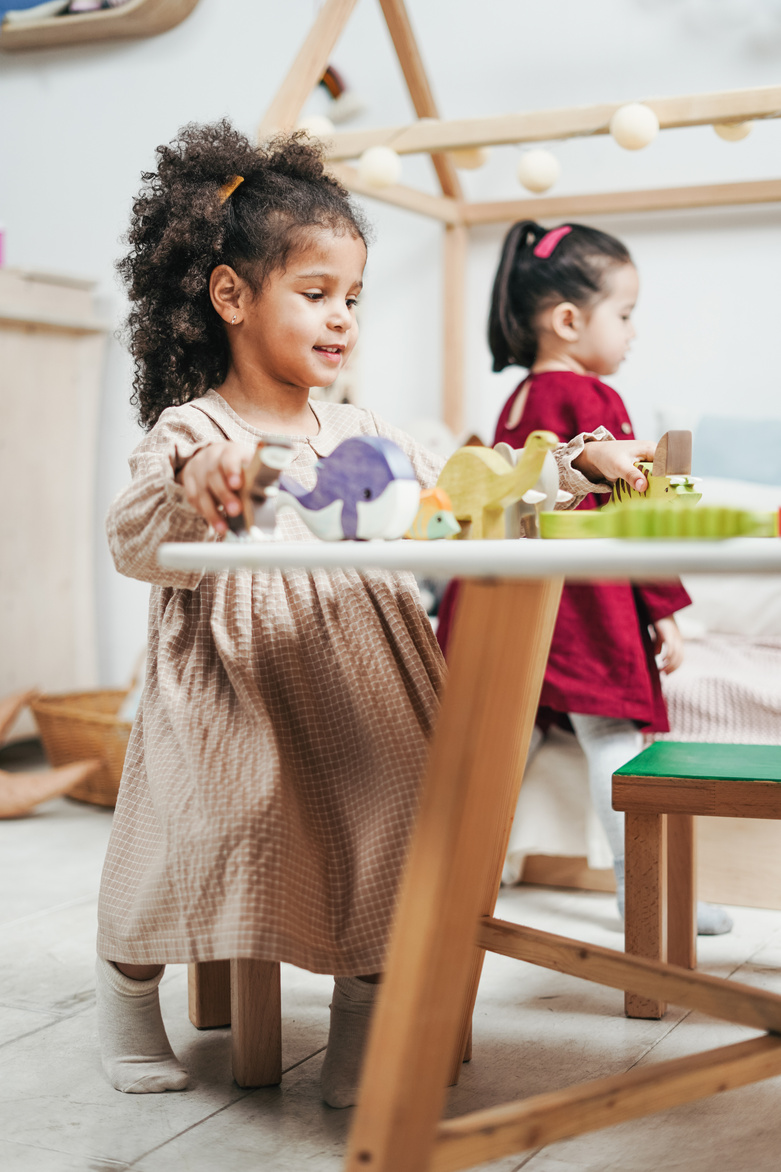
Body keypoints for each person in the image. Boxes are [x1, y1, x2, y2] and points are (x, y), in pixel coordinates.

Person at [95, 128, 672, 1107]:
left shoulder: (362, 430)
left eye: (353, 298)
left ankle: (364, 1025)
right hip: (234, 689)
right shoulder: (198, 429)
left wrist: (573, 461)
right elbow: (135, 534)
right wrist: (198, 481)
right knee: (193, 835)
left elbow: (468, 490)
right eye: (315, 292)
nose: (341, 318)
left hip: (362, 675)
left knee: (398, 836)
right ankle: (126, 992)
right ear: (231, 295)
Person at [436, 220, 732, 936]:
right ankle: (643, 892)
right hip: (578, 604)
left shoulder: (517, 400)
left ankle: (451, 882)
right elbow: (636, 511)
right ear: (568, 321)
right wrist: (662, 607)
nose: (632, 333)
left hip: (508, 597)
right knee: (611, 735)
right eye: (624, 315)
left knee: (512, 736)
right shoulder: (594, 404)